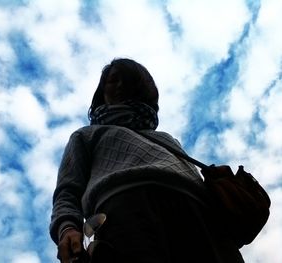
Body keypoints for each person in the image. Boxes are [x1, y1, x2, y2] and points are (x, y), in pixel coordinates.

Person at [50, 58, 245, 262]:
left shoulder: (167, 139)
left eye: (128, 80)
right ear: (102, 91)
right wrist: (67, 227)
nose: (120, 85)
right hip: (124, 212)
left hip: (199, 214)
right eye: (112, 80)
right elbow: (68, 190)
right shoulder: (86, 135)